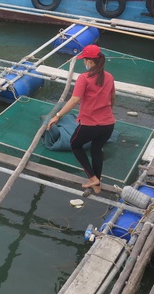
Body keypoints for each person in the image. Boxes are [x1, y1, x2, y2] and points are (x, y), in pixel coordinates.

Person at [46, 44, 115, 194]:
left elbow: (74, 100)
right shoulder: (109, 77)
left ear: (90, 61)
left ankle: (92, 177)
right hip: (108, 124)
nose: (83, 62)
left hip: (90, 123)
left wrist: (57, 116)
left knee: (75, 145)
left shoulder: (84, 78)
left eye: (84, 60)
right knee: (97, 148)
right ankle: (97, 184)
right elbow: (112, 98)